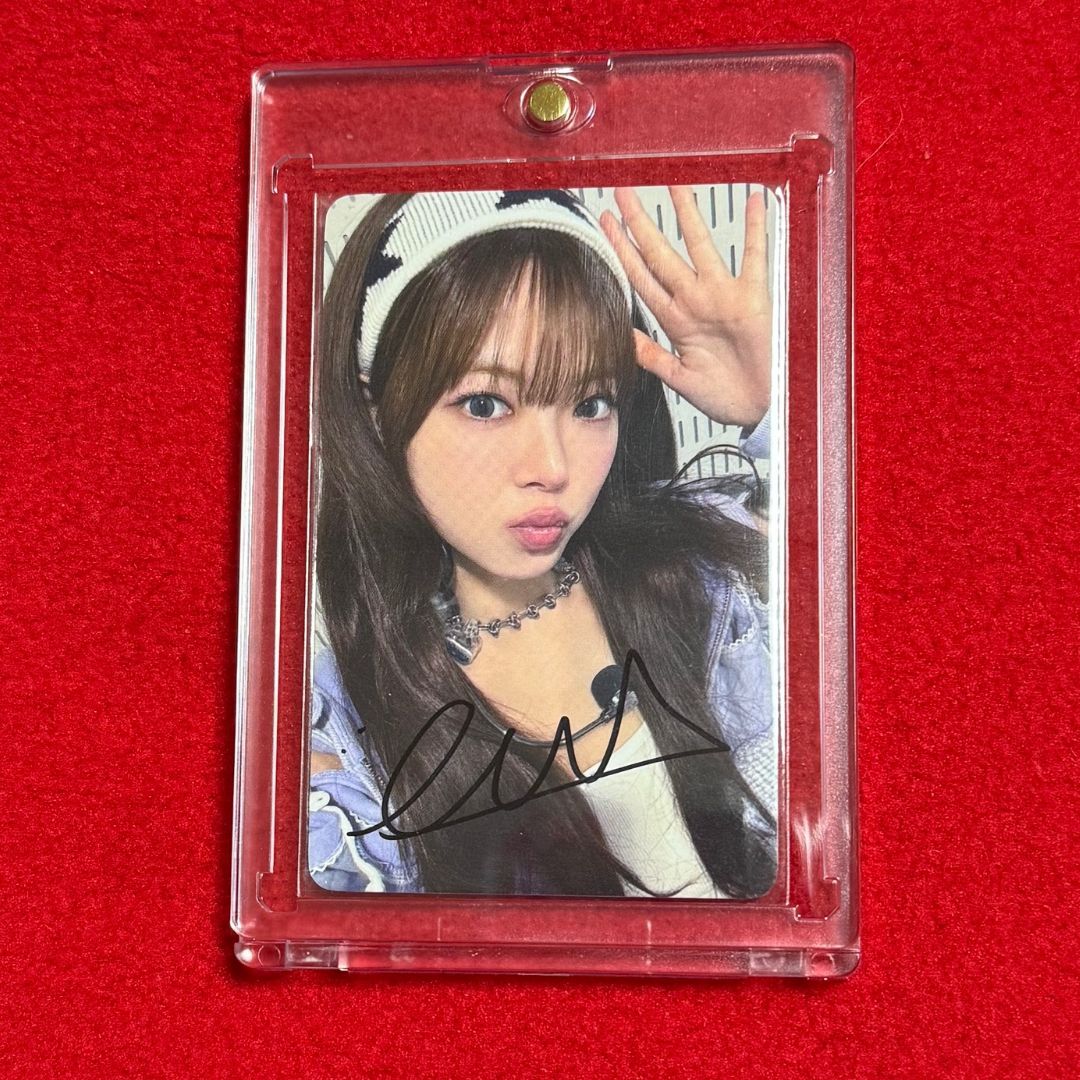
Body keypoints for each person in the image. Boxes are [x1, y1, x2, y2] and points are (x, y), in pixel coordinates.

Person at [308, 186, 777, 899]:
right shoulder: (343, 728)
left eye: (591, 403)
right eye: (486, 404)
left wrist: (773, 408)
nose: (553, 467)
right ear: (377, 413)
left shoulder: (708, 572)